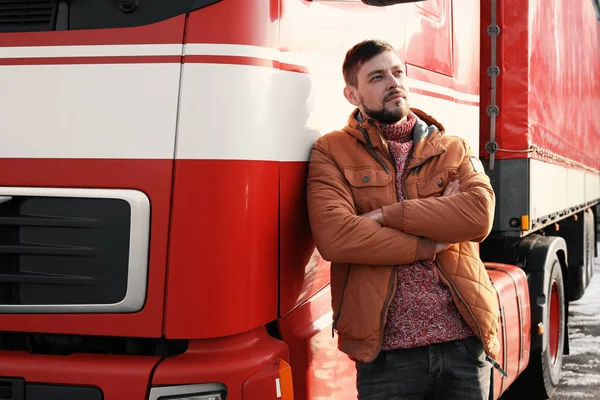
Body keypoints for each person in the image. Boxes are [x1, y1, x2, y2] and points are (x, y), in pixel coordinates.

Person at [306, 39, 504, 400]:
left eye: (398, 72)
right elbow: (336, 238)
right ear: (352, 94)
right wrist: (435, 240)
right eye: (377, 77)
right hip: (386, 356)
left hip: (462, 345)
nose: (393, 82)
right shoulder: (331, 151)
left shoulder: (453, 147)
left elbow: (478, 216)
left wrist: (385, 215)